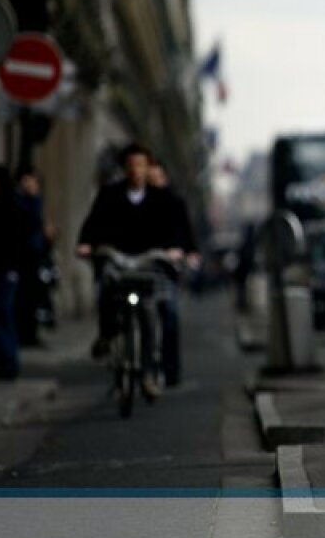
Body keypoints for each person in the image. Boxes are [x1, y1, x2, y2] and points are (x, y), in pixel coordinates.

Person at [77, 143, 184, 398]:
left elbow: (174, 230)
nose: (136, 170)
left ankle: (147, 372)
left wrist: (174, 249)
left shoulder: (161, 199)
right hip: (118, 259)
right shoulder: (109, 195)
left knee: (148, 313)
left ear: (148, 168)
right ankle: (105, 335)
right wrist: (86, 244)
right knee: (106, 288)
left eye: (141, 165)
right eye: (131, 165)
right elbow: (93, 223)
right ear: (124, 168)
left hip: (147, 263)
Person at [0, 165, 35, 379]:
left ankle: (7, 362)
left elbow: (17, 237)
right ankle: (7, 362)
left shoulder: (7, 206)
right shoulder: (3, 204)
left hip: (1, 270)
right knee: (0, 318)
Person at [146, 159, 197, 387]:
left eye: (157, 179)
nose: (153, 184)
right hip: (140, 268)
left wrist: (188, 252)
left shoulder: (175, 203)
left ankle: (171, 370)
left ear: (164, 179)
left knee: (170, 316)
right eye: (150, 180)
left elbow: (185, 231)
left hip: (166, 268)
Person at [14, 167, 52, 346]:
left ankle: (31, 333)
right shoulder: (21, 202)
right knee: (23, 297)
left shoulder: (34, 201)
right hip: (22, 256)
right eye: (28, 181)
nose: (31, 185)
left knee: (33, 297)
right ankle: (24, 334)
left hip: (35, 255)